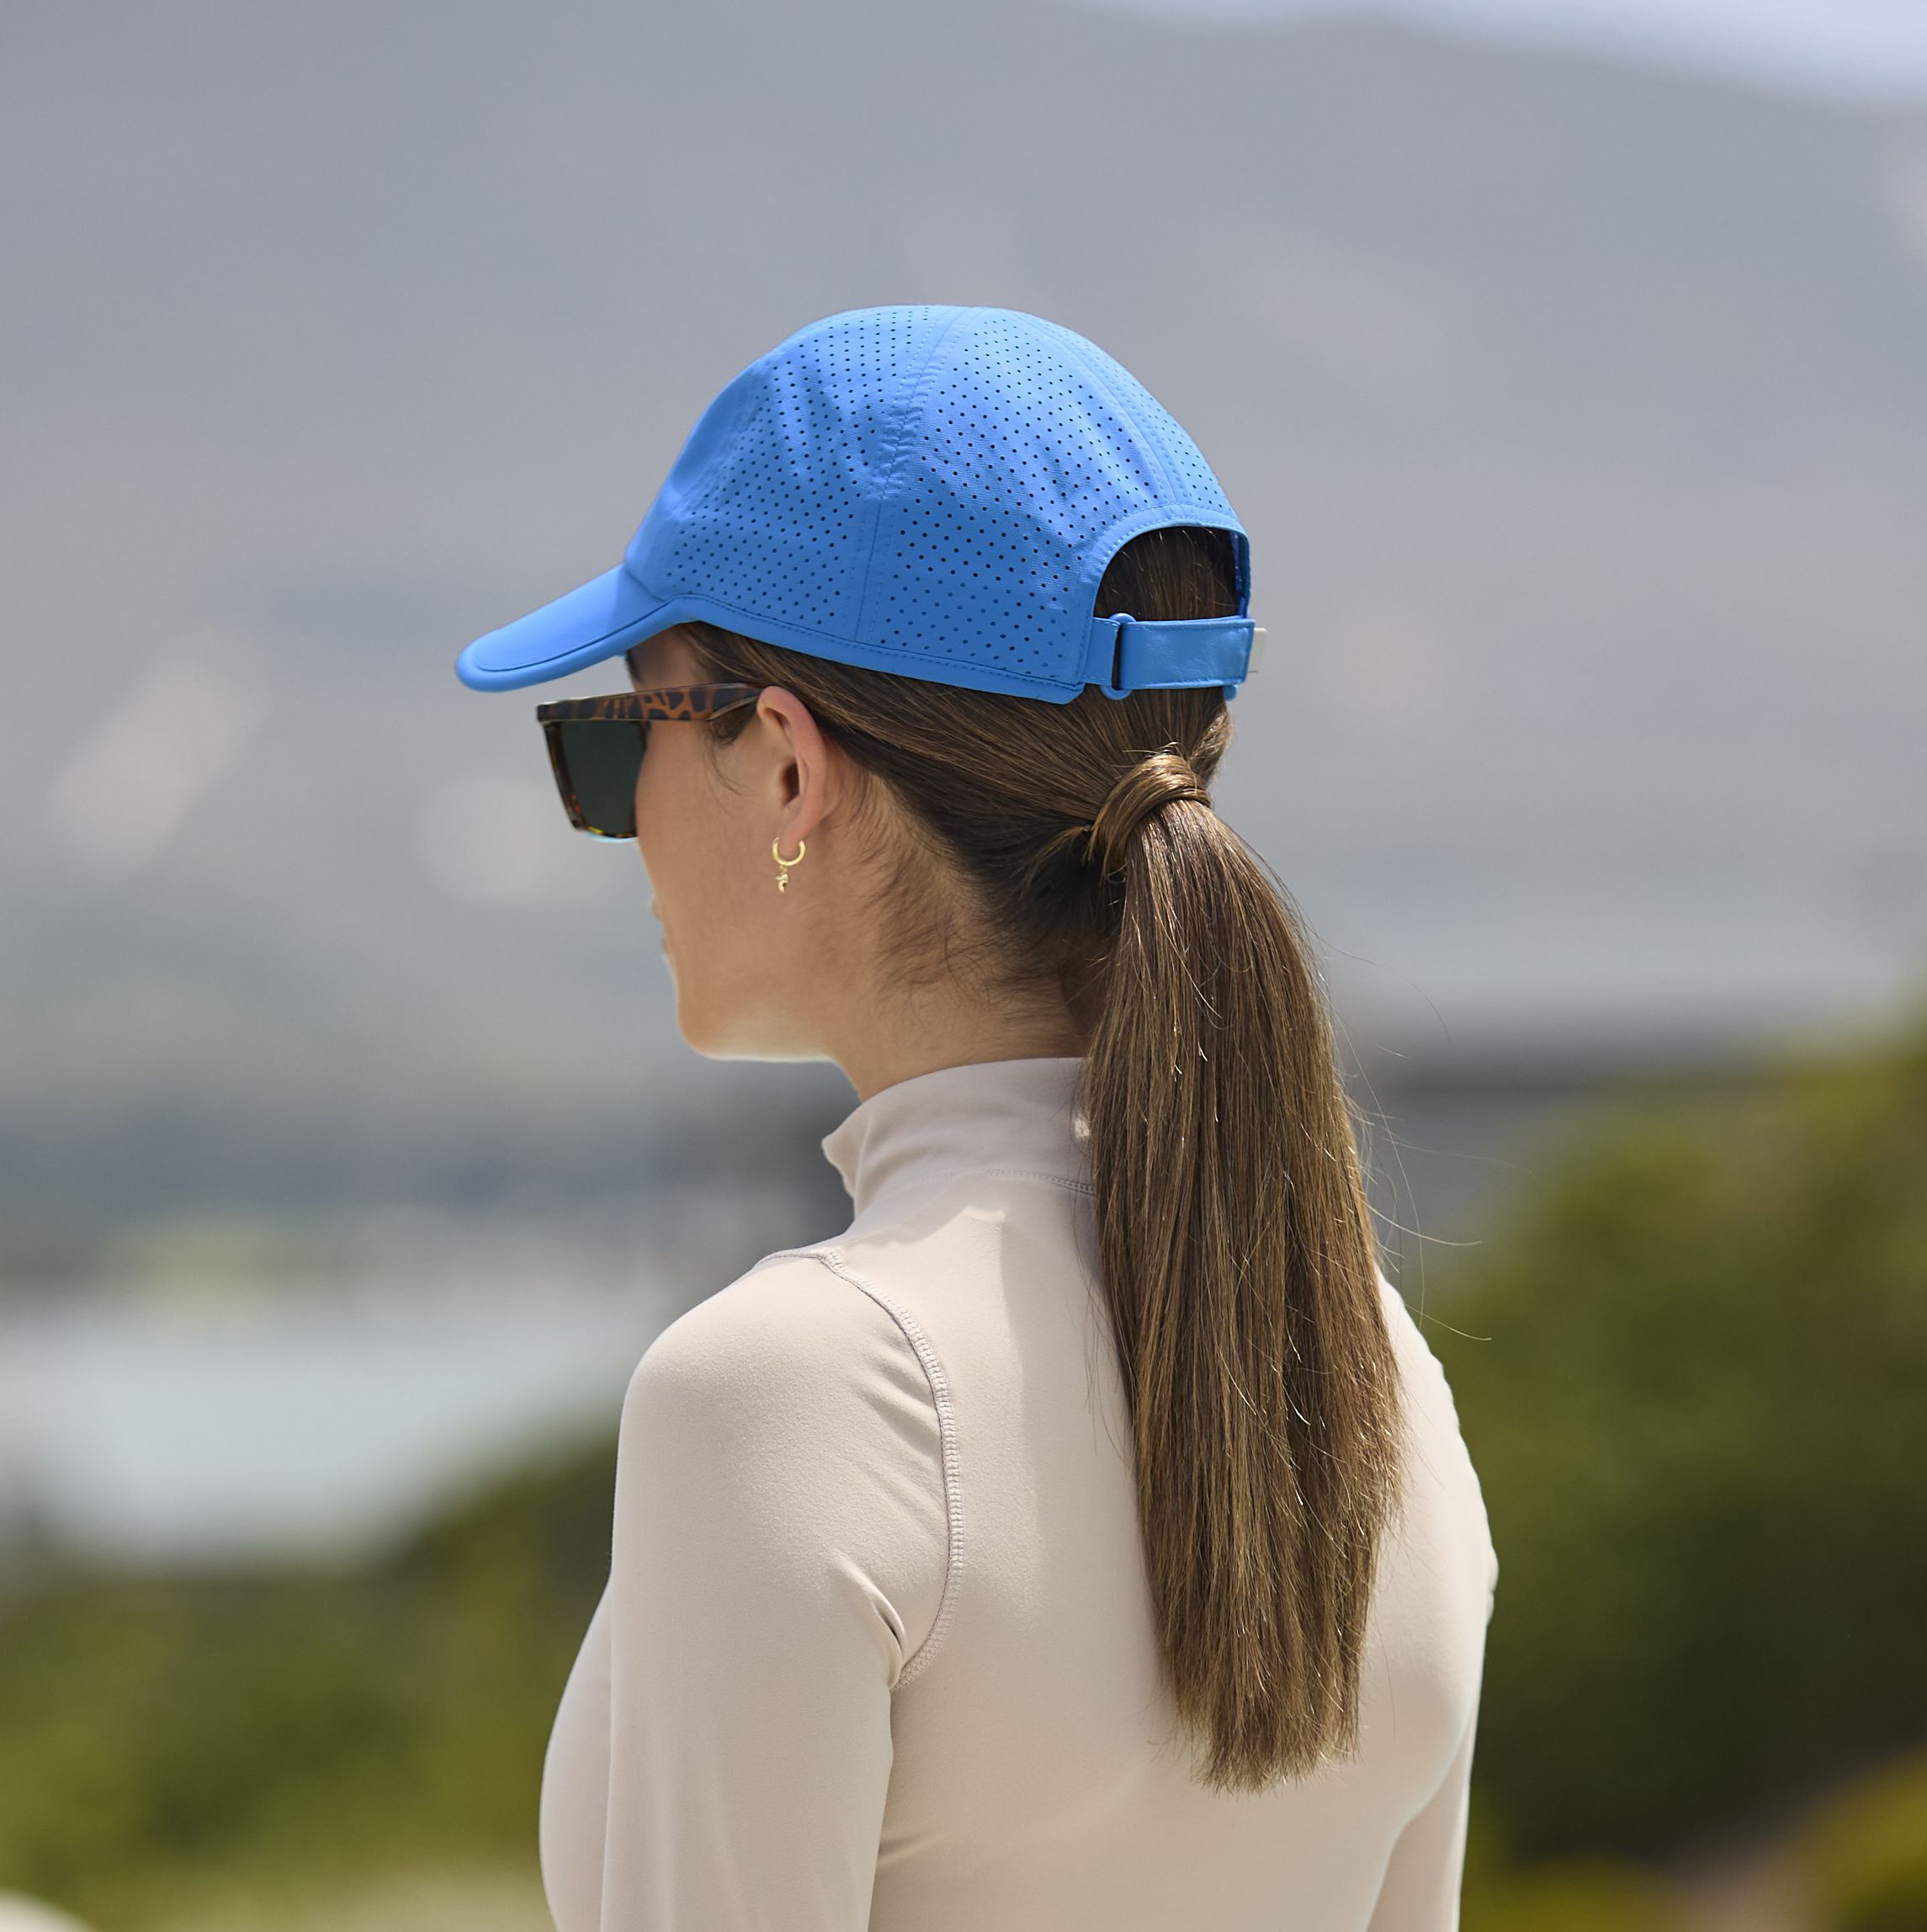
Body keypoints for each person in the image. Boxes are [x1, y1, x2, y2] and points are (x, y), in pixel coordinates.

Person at [454, 305, 1497, 1932]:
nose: (617, 820)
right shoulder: (1369, 1372)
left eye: (614, 740)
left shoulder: (786, 1398)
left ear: (788, 769)